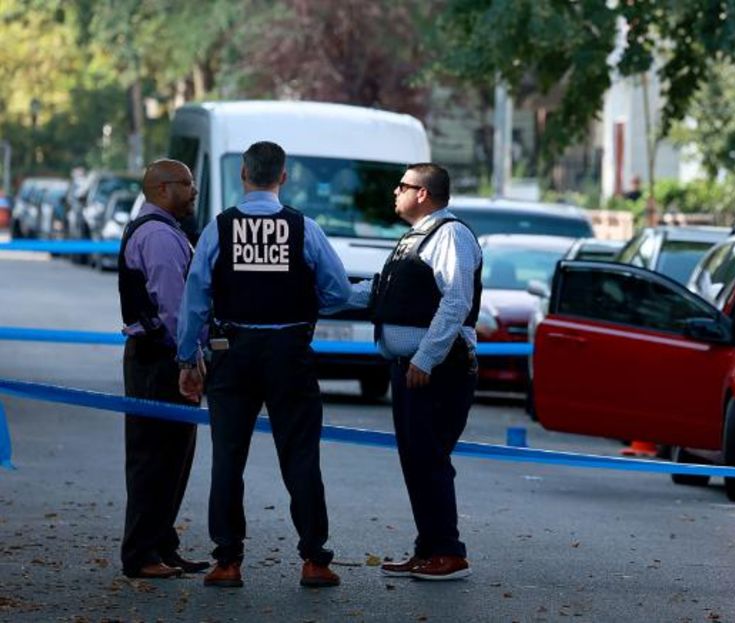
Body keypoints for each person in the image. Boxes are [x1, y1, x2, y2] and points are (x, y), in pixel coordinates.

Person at [176, 141, 360, 588]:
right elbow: (338, 293)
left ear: (243, 175)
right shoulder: (305, 229)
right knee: (300, 458)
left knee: (227, 460)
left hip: (231, 352)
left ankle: (227, 561)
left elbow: (196, 298)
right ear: (283, 177)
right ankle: (315, 560)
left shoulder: (220, 229)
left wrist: (188, 358)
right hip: (290, 352)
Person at [373, 163, 482, 581]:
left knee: (430, 458)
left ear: (423, 194)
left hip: (438, 369)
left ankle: (449, 553)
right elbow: (386, 291)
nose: (395, 192)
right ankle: (428, 548)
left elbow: (456, 301)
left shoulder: (450, 234)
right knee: (416, 460)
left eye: (402, 185)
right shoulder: (415, 237)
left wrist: (425, 358)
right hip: (414, 367)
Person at [117, 159, 209, 579]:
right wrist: (189, 360)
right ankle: (141, 554)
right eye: (188, 184)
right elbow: (174, 309)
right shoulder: (158, 236)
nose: (194, 191)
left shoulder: (162, 230)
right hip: (160, 359)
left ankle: (161, 545)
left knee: (172, 457)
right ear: (163, 188)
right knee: (153, 458)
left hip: (157, 356)